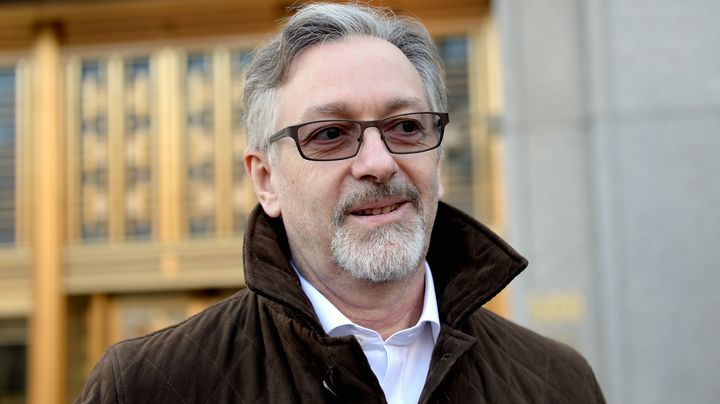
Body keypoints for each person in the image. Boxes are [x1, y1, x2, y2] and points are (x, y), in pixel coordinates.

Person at [77, 2, 605, 403]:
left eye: (405, 127)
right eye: (329, 133)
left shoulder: (556, 382)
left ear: (438, 161)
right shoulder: (150, 386)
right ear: (266, 181)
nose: (378, 162)